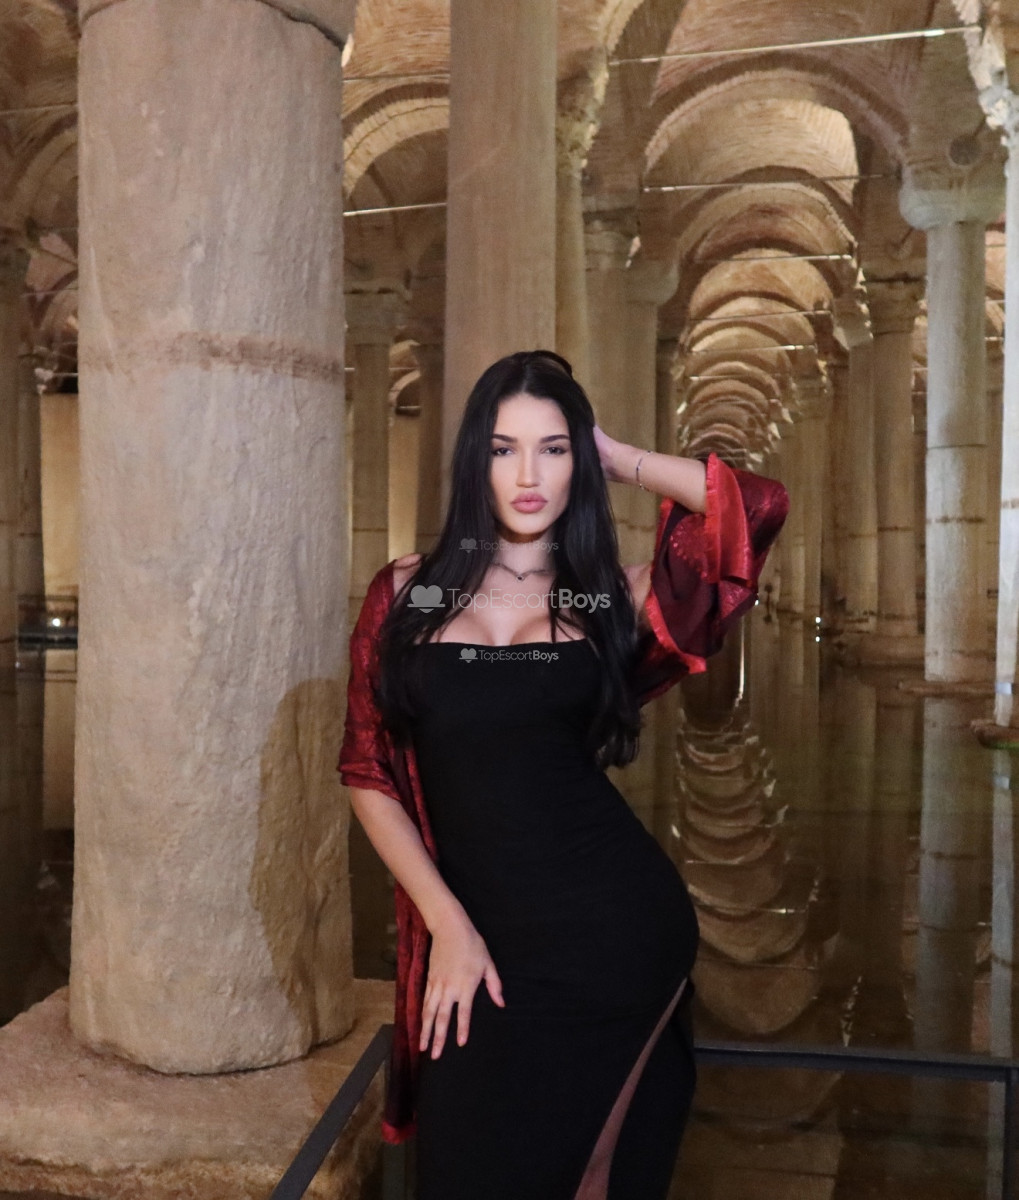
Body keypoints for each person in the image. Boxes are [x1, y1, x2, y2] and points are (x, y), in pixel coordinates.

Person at [337, 349, 789, 1199]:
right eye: (503, 448)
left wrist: (616, 457)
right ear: (474, 461)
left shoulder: (610, 599)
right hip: (477, 940)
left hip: (613, 935)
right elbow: (368, 772)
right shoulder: (408, 594)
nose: (527, 474)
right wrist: (448, 926)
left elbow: (755, 507)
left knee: (589, 1179)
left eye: (552, 449)